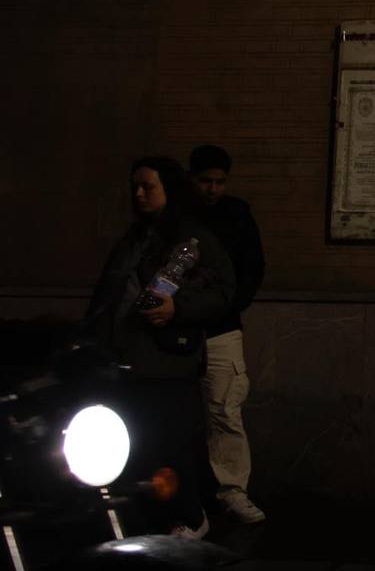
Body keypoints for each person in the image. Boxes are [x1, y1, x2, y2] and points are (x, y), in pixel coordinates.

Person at [84, 157, 235, 539]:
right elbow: (109, 294)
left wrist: (177, 308)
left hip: (166, 361)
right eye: (134, 186)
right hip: (124, 360)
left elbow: (224, 293)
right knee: (134, 447)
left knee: (170, 444)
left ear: (169, 189)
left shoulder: (192, 239)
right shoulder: (135, 238)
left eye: (148, 187)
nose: (138, 194)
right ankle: (147, 521)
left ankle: (189, 517)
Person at [188, 144, 267, 525]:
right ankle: (196, 494)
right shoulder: (181, 215)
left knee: (225, 410)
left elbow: (253, 266)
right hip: (185, 328)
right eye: (206, 181)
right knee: (189, 413)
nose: (213, 189)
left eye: (219, 181)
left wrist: (230, 305)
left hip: (221, 326)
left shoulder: (236, 214)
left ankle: (231, 490)